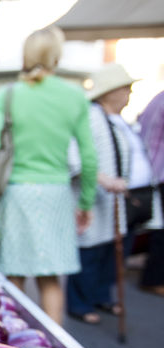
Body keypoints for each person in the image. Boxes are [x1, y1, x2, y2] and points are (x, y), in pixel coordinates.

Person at [0, 26, 97, 325]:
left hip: (18, 193)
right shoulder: (74, 96)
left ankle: (19, 343)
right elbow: (90, 158)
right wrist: (86, 202)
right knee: (50, 276)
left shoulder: (10, 95)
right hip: (57, 194)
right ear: (56, 55)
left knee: (15, 273)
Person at [67, 64, 141, 324]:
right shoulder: (88, 116)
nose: (129, 95)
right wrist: (105, 180)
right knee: (88, 251)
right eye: (126, 89)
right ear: (111, 92)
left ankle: (100, 296)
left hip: (112, 200)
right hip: (91, 197)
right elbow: (75, 158)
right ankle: (79, 303)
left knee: (109, 249)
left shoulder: (115, 121)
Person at [138, 89, 164, 296]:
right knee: (160, 232)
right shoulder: (161, 100)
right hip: (159, 174)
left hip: (156, 172)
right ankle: (153, 278)